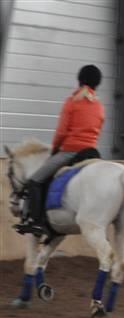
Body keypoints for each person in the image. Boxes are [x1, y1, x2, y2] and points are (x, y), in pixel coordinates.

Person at [15, 64, 105, 237]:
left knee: (35, 180)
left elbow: (62, 132)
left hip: (71, 151)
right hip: (92, 152)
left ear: (80, 81)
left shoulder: (72, 102)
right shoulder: (100, 106)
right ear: (97, 84)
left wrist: (55, 150)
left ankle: (35, 222)